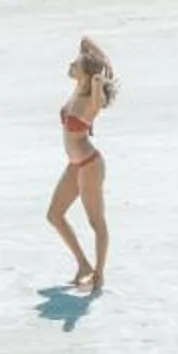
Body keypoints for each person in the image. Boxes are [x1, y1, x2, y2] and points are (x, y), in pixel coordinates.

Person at [46, 36, 117, 291]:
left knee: (96, 222)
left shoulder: (91, 98)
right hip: (75, 165)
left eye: (75, 65)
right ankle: (84, 265)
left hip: (89, 165)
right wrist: (106, 61)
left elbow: (99, 102)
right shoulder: (79, 88)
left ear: (85, 74)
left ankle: (99, 274)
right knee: (54, 215)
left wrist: (99, 79)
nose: (70, 65)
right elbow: (85, 40)